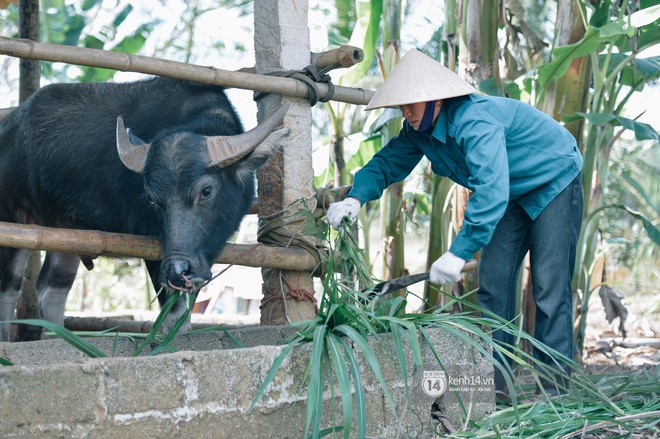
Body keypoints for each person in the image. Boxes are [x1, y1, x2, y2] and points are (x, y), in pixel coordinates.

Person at [326, 49, 584, 397]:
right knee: (494, 288)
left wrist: (458, 253)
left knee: (548, 288)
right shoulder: (418, 129)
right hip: (507, 196)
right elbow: (387, 163)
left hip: (552, 179)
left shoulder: (474, 120)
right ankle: (498, 393)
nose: (406, 113)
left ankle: (554, 392)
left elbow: (490, 188)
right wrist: (355, 198)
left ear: (434, 99)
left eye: (411, 105)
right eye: (401, 106)